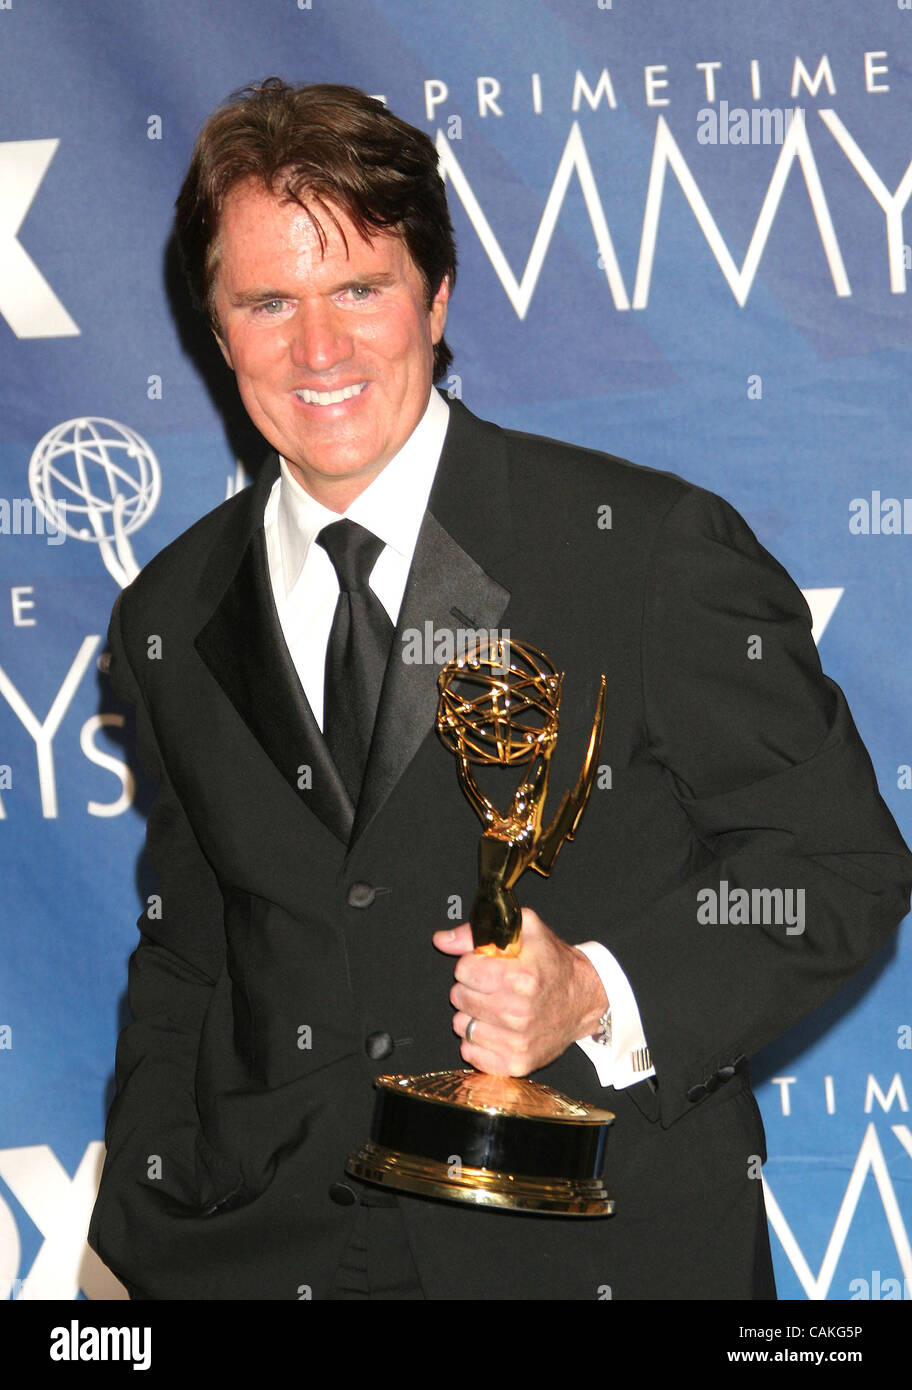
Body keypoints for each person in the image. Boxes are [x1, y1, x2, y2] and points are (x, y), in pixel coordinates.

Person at [88, 78, 912, 1301]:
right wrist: (134, 1231)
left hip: (588, 1249)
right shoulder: (168, 614)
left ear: (437, 294)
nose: (318, 351)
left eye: (360, 288)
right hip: (257, 1255)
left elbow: (837, 865)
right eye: (269, 302)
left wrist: (596, 990)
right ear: (217, 332)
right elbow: (194, 956)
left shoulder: (642, 548)